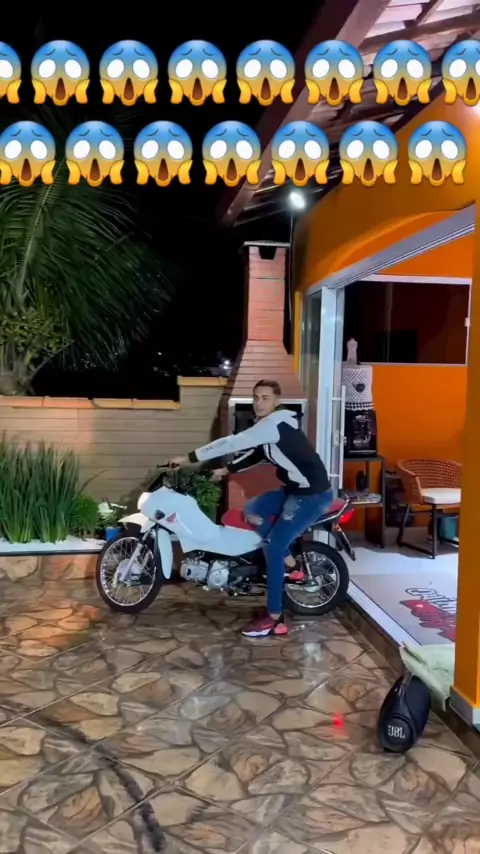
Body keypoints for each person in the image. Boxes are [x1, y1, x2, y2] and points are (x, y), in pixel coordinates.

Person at [168, 379, 333, 638]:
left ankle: (274, 619)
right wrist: (226, 470)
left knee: (273, 548)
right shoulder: (274, 424)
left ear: (277, 401)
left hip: (312, 495)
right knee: (252, 510)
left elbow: (229, 443)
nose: (258, 402)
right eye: (256, 397)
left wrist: (188, 459)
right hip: (295, 490)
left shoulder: (273, 425)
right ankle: (291, 562)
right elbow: (259, 454)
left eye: (265, 398)